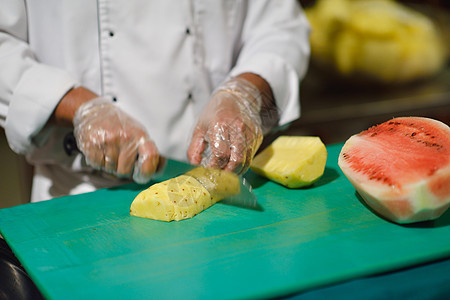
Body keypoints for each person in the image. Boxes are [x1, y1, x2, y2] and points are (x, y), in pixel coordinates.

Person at [0, 0, 310, 202]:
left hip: (218, 187)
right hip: (81, 196)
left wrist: (244, 92)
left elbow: (281, 27)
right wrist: (79, 107)